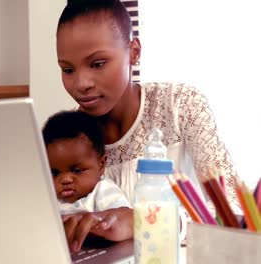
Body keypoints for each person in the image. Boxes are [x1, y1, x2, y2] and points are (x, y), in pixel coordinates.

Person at [55, 0, 241, 251]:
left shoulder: (180, 105)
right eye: (68, 69)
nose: (81, 83)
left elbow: (232, 213)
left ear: (134, 51)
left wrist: (142, 222)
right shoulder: (66, 138)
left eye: (97, 64)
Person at [42, 110, 131, 252]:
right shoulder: (48, 197)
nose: (65, 179)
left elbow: (119, 217)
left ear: (101, 165)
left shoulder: (103, 191)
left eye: (77, 171)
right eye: (55, 173)